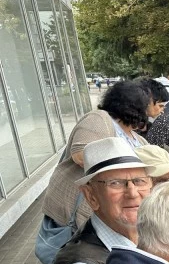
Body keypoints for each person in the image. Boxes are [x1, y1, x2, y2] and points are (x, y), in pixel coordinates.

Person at [41, 80, 150, 233]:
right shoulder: (100, 119)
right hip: (78, 213)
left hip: (116, 215)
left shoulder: (138, 139)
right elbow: (80, 155)